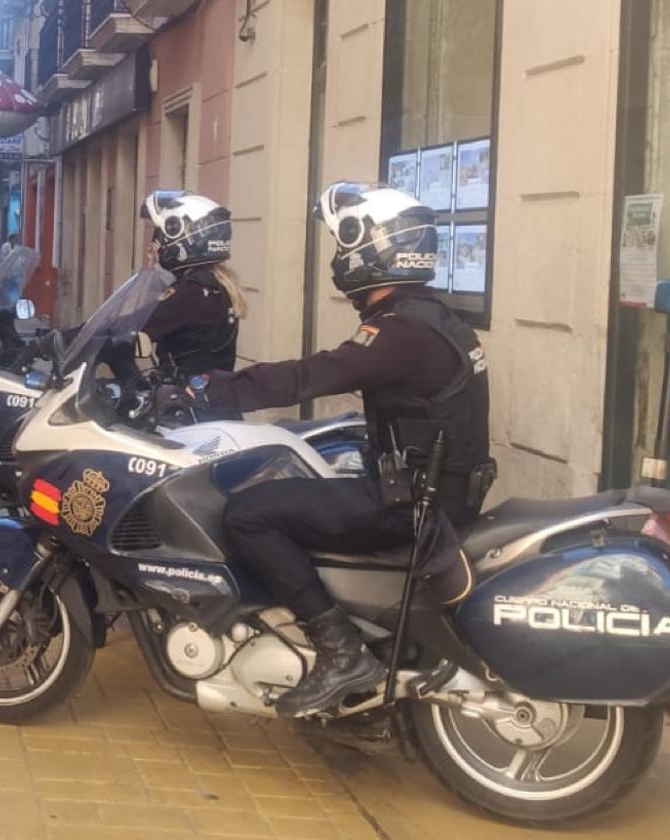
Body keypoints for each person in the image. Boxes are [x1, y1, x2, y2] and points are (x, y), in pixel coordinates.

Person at [160, 182, 491, 717]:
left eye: (344, 244)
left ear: (375, 247)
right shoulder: (434, 318)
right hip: (430, 491)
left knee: (247, 513)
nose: (340, 257)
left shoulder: (402, 329)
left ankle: (340, 648)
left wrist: (210, 390)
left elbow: (314, 374)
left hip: (414, 506)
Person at [139, 191, 246, 419]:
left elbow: (137, 324)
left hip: (191, 412)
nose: (154, 248)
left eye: (158, 238)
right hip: (213, 405)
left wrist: (63, 339)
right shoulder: (216, 285)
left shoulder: (190, 293)